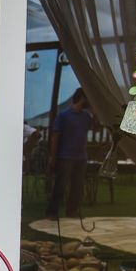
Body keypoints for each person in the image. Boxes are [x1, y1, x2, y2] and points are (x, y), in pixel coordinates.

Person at [47, 88, 95, 220]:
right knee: (61, 185)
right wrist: (53, 155)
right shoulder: (64, 115)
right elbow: (55, 136)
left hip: (81, 157)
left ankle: (71, 210)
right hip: (65, 156)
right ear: (83, 98)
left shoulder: (86, 116)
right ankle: (52, 211)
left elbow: (96, 129)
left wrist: (95, 114)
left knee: (77, 185)